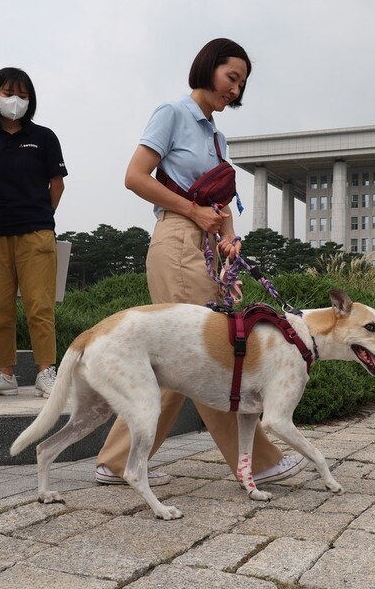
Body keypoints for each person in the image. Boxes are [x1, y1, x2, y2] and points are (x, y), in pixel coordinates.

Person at [94, 38, 306, 487]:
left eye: (242, 84)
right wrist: (193, 212)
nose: (235, 90)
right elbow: (134, 176)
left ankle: (116, 461)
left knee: (179, 361)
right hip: (175, 240)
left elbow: (221, 202)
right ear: (208, 68)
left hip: (207, 247)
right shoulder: (172, 113)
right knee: (205, 356)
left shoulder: (216, 134)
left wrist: (230, 240)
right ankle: (260, 461)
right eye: (231, 77)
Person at [0, 67, 67, 399]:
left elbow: (57, 184)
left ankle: (46, 372)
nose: (15, 101)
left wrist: (38, 215)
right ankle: (5, 373)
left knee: (39, 305)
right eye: (9, 94)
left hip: (36, 231)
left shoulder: (44, 137)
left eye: (23, 95)